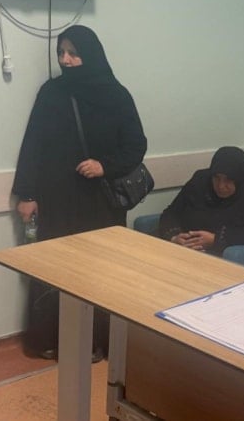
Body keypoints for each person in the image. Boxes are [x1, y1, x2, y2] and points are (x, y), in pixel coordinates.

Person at [11, 25, 148, 362]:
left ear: (91, 54)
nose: (66, 60)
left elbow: (136, 145)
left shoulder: (117, 96)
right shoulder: (52, 93)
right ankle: (49, 339)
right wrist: (27, 194)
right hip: (58, 199)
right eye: (61, 52)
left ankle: (96, 341)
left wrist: (104, 166)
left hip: (100, 203)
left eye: (73, 53)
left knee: (99, 270)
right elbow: (33, 144)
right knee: (54, 267)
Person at [158, 147, 244, 255]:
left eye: (228, 180)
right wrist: (174, 237)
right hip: (182, 249)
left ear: (240, 179)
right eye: (216, 178)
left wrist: (216, 239)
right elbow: (171, 213)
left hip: (221, 255)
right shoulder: (201, 180)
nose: (221, 186)